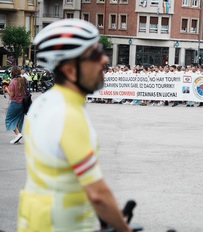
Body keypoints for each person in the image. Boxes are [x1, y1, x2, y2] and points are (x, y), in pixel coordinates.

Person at [17, 19, 130, 232]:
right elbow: (97, 194)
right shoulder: (69, 115)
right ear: (70, 70)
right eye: (95, 54)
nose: (105, 59)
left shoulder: (43, 103)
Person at [4, 66, 26, 144]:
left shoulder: (13, 82)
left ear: (12, 73)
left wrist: (6, 89)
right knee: (19, 120)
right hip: (23, 104)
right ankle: (18, 137)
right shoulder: (24, 80)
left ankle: (18, 134)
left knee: (9, 120)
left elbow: (11, 95)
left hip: (14, 103)